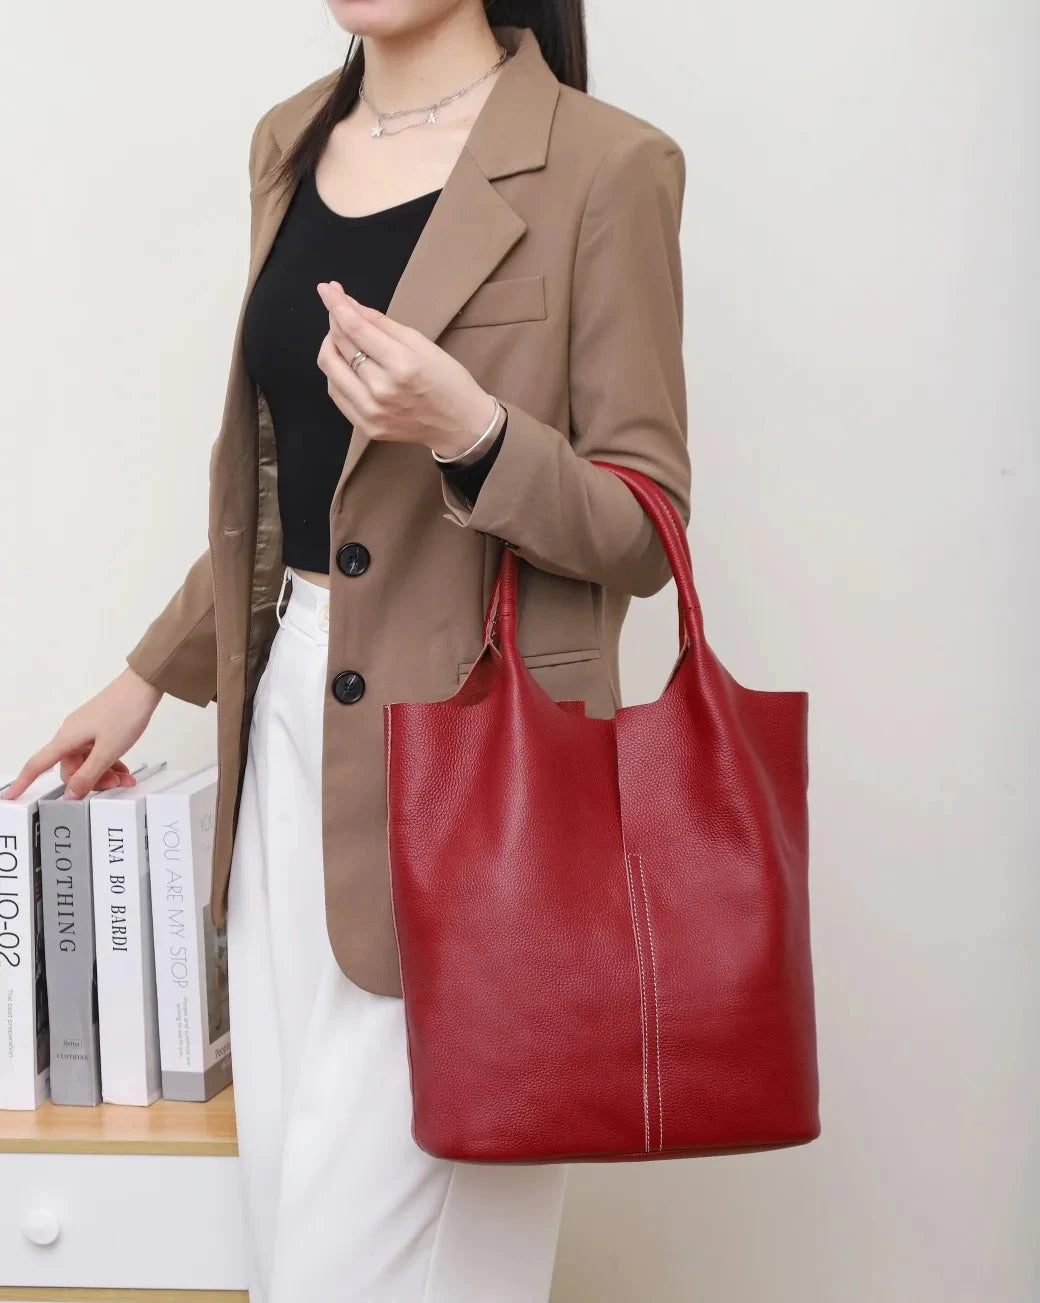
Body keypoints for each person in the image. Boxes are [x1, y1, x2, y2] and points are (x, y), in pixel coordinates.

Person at [4, 2, 692, 1298]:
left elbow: (644, 527)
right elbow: (292, 500)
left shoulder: (610, 165)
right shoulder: (290, 140)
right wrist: (150, 674)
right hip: (287, 735)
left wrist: (474, 431)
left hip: (487, 770)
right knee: (289, 1236)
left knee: (366, 1266)